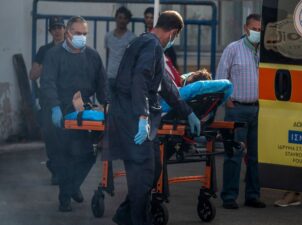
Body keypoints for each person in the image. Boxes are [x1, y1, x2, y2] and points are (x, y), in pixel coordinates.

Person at [104, 10, 201, 225]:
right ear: (173, 33)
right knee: (143, 175)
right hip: (133, 117)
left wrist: (187, 111)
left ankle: (124, 215)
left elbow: (165, 83)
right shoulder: (152, 45)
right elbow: (140, 79)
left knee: (153, 168)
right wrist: (142, 117)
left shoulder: (145, 42)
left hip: (131, 114)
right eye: (175, 37)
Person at [40, 16, 109, 212]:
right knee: (65, 157)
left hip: (83, 113)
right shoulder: (54, 55)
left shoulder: (93, 57)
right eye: (78, 33)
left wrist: (107, 106)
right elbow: (48, 83)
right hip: (60, 113)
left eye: (85, 34)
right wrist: (54, 107)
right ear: (68, 33)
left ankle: (71, 186)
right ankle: (65, 197)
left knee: (89, 154)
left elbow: (102, 86)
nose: (82, 37)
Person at [216, 14, 265, 209]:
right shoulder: (233, 49)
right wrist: (227, 101)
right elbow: (221, 77)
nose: (257, 33)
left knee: (254, 157)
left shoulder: (264, 52)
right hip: (237, 109)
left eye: (260, 30)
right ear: (246, 28)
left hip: (257, 109)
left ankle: (253, 195)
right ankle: (229, 196)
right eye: (254, 29)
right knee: (234, 155)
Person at [29, 16, 65, 185]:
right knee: (51, 138)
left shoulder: (70, 49)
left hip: (65, 101)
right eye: (54, 28)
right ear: (50, 31)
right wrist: (48, 60)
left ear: (65, 29)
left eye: (60, 27)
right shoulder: (44, 50)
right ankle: (56, 169)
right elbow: (33, 75)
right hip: (48, 102)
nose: (57, 31)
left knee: (66, 139)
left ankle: (59, 169)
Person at [105, 6, 136, 94]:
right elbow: (108, 55)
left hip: (125, 77)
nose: (122, 21)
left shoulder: (132, 38)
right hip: (111, 75)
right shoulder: (108, 36)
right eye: (120, 17)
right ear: (116, 18)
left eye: (125, 18)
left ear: (128, 20)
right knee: (109, 103)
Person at [144, 6, 180, 72]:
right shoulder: (145, 36)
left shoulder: (163, 39)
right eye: (147, 17)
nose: (149, 20)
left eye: (152, 18)